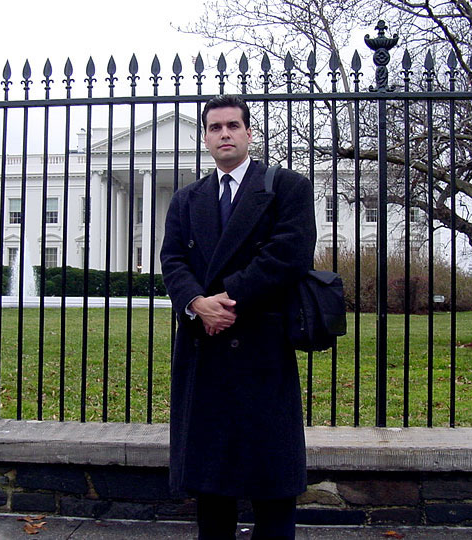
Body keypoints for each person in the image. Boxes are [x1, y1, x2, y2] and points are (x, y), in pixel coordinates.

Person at [160, 94, 317, 539]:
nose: (224, 133)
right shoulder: (188, 199)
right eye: (215, 127)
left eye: (233, 125)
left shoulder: (287, 187)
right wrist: (195, 303)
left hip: (261, 347)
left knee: (271, 479)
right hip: (203, 345)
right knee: (211, 483)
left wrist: (226, 299)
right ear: (206, 138)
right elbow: (172, 260)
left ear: (249, 133)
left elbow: (289, 255)